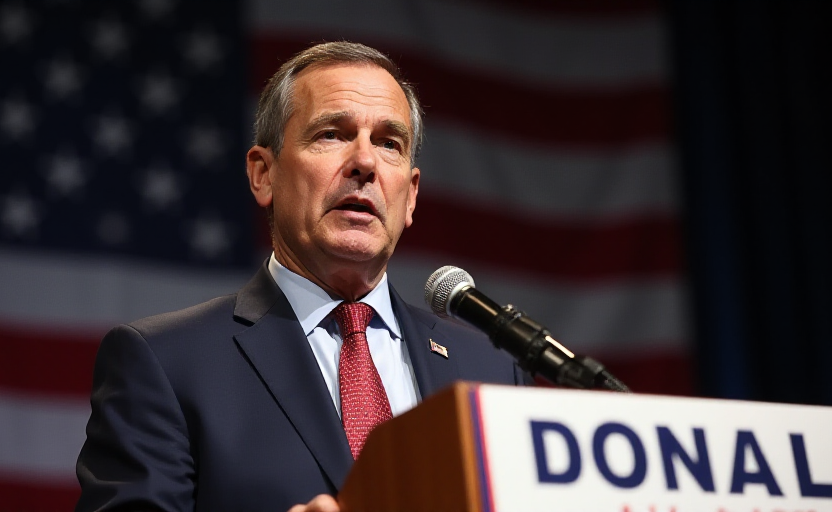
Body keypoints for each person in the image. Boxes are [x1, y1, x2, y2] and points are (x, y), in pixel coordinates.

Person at [75, 41, 526, 512]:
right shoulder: (166, 361)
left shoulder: (492, 371)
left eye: (389, 143)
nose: (365, 163)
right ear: (263, 174)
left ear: (410, 196)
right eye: (332, 134)